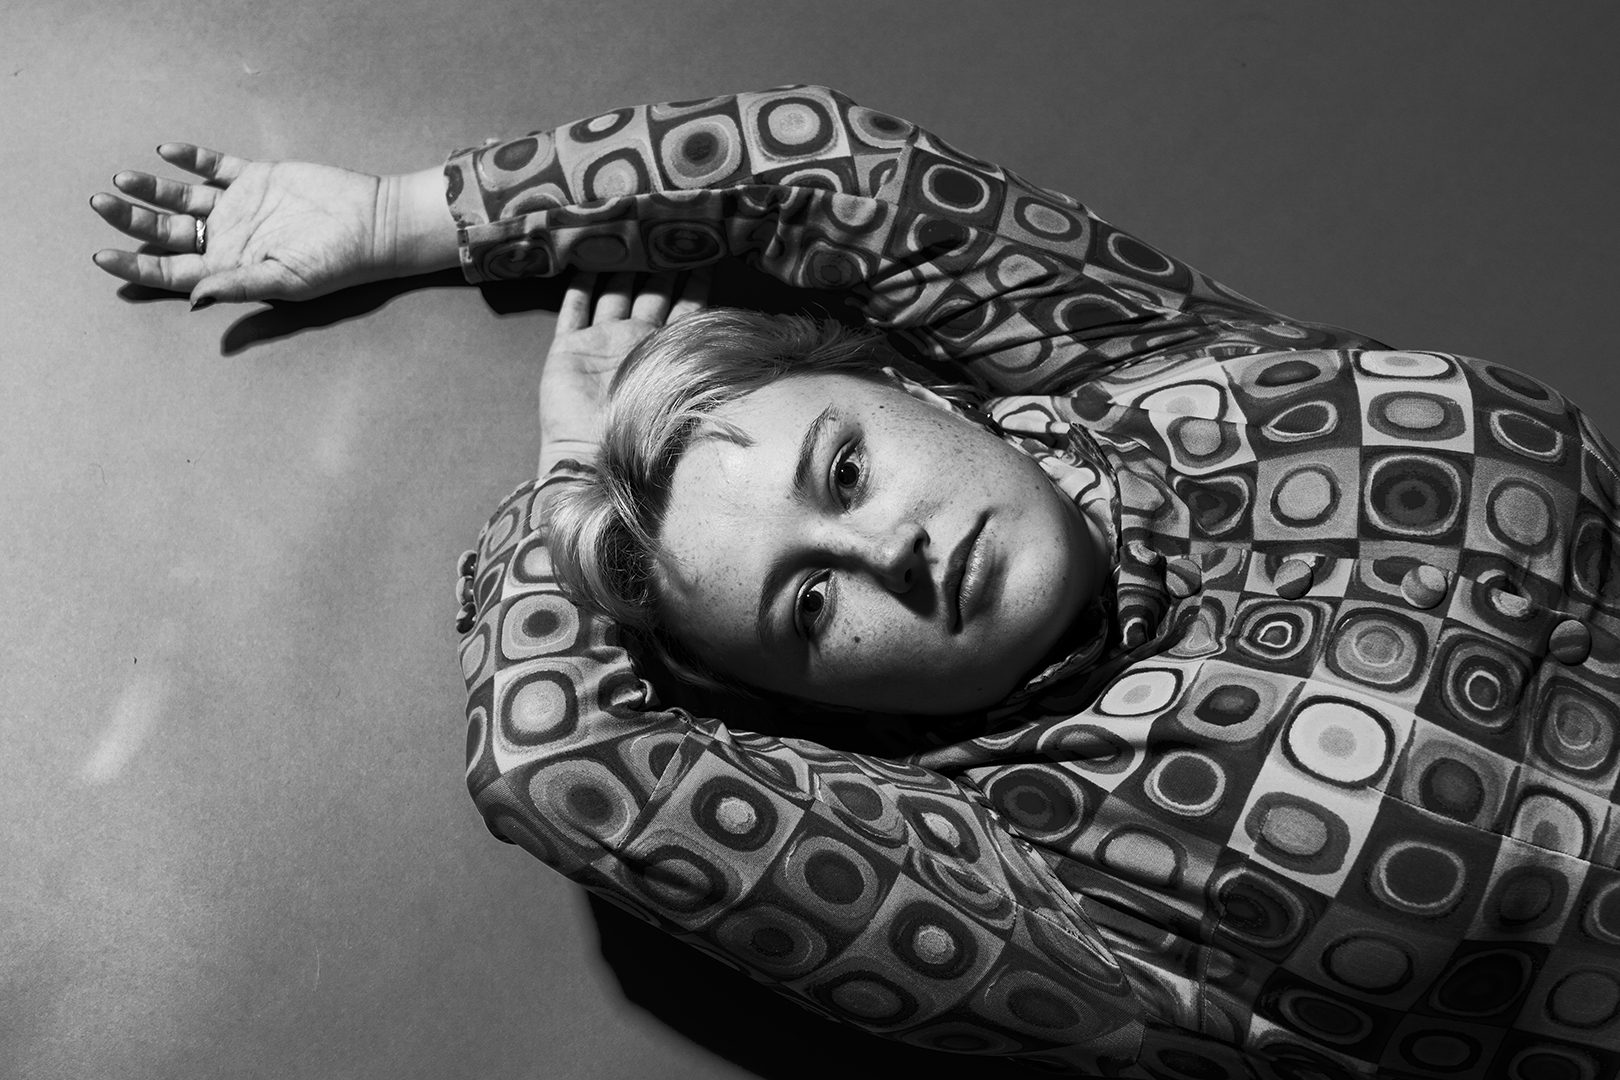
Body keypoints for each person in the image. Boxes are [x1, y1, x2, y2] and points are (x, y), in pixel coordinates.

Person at [91, 85, 1620, 1080]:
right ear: (798, 702)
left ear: (907, 386)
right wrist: (563, 495)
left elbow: (817, 161)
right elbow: (559, 764)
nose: (888, 550)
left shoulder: (1146, 371)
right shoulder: (1028, 865)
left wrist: (403, 217)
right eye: (808, 609)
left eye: (841, 470)